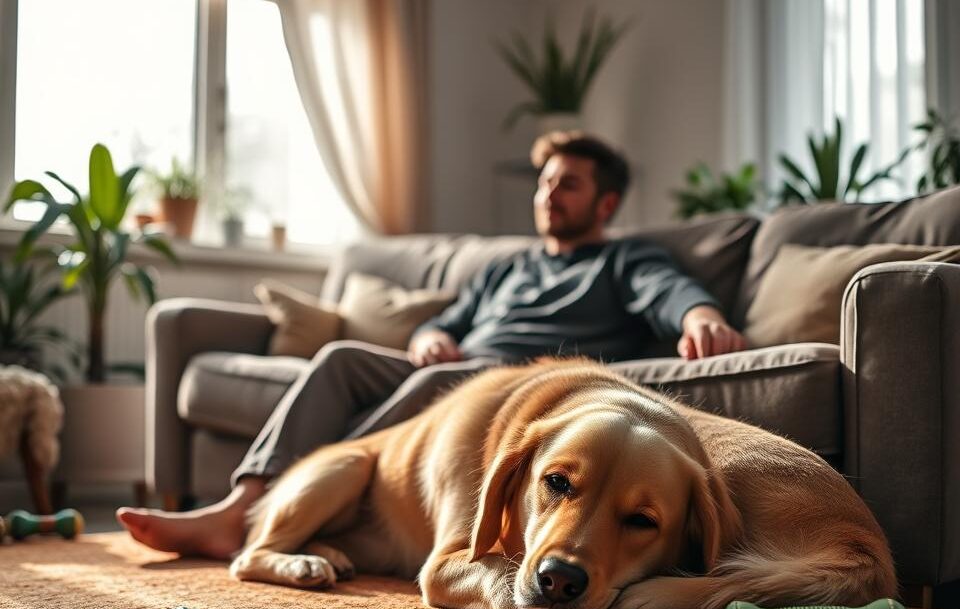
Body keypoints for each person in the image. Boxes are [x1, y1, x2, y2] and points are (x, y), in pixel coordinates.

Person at [117, 131, 747, 559]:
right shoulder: (508, 267)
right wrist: (431, 336)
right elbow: (447, 319)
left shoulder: (624, 259)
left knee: (431, 386)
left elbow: (672, 293)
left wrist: (702, 316)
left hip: (508, 392)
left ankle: (312, 504)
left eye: (568, 185)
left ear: (606, 202)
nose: (548, 195)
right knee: (340, 360)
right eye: (545, 183)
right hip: (451, 368)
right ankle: (246, 504)